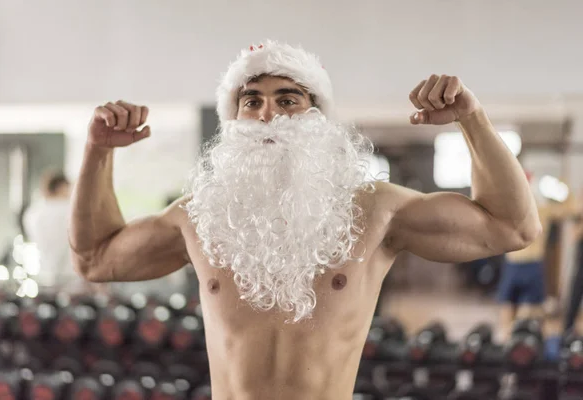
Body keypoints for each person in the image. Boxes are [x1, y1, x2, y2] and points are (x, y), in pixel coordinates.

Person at [69, 41, 541, 399]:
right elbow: (95, 258)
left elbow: (511, 226)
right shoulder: (200, 217)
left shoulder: (374, 210)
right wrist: (97, 152)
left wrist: (472, 120)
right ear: (234, 121)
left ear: (317, 118)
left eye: (288, 100)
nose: (268, 113)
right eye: (251, 101)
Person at [496, 174, 579, 339]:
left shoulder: (509, 209)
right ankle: (528, 345)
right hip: (530, 265)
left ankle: (508, 344)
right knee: (531, 317)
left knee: (508, 313)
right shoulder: (543, 209)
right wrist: (564, 187)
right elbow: (571, 210)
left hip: (515, 264)